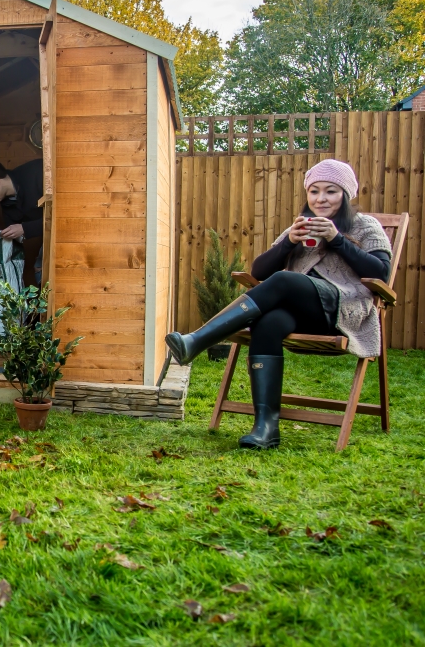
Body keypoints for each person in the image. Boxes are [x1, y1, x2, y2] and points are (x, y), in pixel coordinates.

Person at [165, 159, 392, 450]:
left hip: (342, 310)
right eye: (314, 191)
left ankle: (197, 341)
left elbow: (381, 274)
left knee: (285, 280)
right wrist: (288, 244)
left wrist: (336, 239)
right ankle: (266, 429)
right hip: (302, 314)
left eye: (331, 191)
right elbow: (258, 272)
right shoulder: (300, 227)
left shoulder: (365, 226)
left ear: (346, 195)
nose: (320, 198)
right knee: (268, 324)